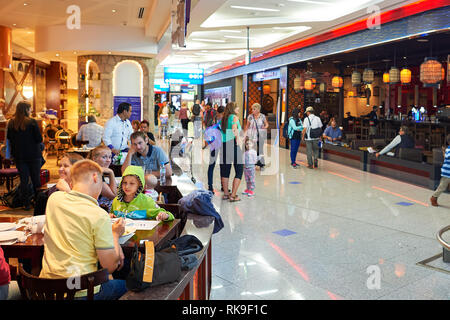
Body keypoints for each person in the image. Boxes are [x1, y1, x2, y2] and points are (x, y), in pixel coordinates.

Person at [40, 160, 127, 300]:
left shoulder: (54, 200)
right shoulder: (98, 215)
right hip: (81, 291)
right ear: (95, 177)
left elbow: (69, 195)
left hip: (47, 290)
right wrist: (115, 235)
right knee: (132, 286)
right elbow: (109, 267)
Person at [7, 101, 43, 210]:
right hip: (33, 155)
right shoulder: (32, 122)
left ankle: (26, 203)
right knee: (36, 179)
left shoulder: (12, 123)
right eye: (30, 109)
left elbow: (10, 139)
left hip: (19, 156)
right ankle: (38, 202)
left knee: (24, 180)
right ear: (26, 110)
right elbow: (39, 139)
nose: (31, 110)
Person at [220, 102, 244, 202]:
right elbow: (234, 129)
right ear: (233, 109)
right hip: (233, 145)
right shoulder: (234, 117)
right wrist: (238, 140)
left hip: (225, 145)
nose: (238, 108)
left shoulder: (224, 118)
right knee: (239, 170)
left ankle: (226, 194)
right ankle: (233, 195)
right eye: (237, 107)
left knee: (225, 170)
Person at [88, 146, 117, 212]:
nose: (108, 160)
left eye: (110, 157)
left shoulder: (93, 170)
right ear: (94, 158)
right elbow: (113, 195)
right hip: (95, 210)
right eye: (104, 157)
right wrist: (111, 173)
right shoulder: (94, 173)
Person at [204, 106, 225, 192]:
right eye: (223, 114)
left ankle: (223, 185)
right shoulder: (215, 121)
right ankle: (210, 185)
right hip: (215, 145)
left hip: (221, 144)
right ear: (220, 113)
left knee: (222, 165)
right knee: (212, 164)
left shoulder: (222, 121)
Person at [244, 103, 269, 169]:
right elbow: (247, 126)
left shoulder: (262, 116)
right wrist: (245, 135)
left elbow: (266, 124)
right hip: (251, 136)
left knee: (260, 150)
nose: (252, 110)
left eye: (254, 109)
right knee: (252, 150)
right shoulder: (250, 116)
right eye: (252, 109)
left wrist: (265, 127)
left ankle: (261, 164)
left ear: (258, 109)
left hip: (260, 135)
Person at [430, 134, 450, 206]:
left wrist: (444, 151)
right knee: (442, 187)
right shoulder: (449, 149)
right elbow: (447, 157)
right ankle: (434, 197)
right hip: (447, 173)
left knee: (443, 186)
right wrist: (444, 151)